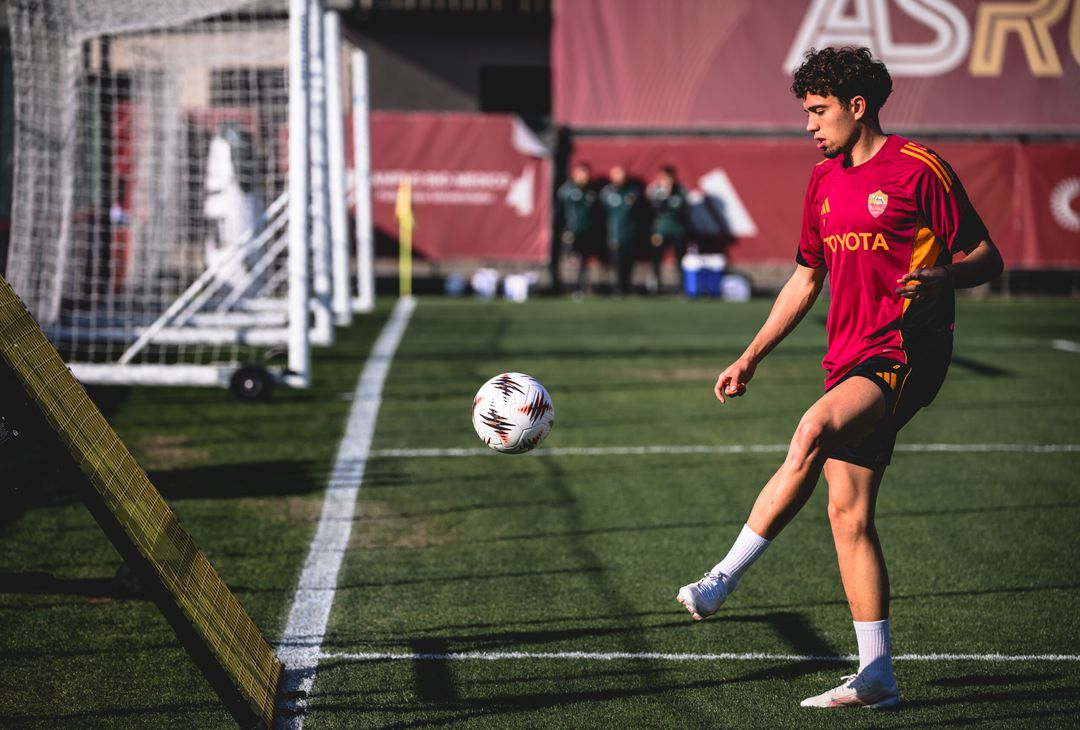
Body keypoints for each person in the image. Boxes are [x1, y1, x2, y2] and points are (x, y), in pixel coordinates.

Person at [676, 46, 1003, 710]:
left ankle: (720, 580)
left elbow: (985, 254)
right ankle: (876, 674)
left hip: (909, 350)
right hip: (849, 355)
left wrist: (944, 276)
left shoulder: (918, 169)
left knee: (813, 427)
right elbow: (805, 278)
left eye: (818, 111)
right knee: (847, 514)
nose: (809, 125)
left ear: (858, 107)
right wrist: (751, 355)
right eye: (806, 112)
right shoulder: (823, 180)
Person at [554, 162, 603, 296]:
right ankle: (565, 286)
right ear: (575, 174)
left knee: (584, 260)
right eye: (582, 174)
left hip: (587, 231)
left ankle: (580, 287)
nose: (584, 177)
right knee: (572, 259)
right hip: (571, 231)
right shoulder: (566, 190)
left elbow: (597, 213)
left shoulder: (592, 191)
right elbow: (560, 212)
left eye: (586, 174)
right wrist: (563, 230)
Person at [646, 166, 690, 294]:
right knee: (656, 259)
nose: (665, 181)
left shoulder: (681, 190)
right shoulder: (655, 190)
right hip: (659, 230)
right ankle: (655, 286)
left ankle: (683, 287)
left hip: (677, 230)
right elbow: (653, 208)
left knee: (680, 260)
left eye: (668, 178)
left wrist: (671, 195)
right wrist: (664, 195)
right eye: (663, 178)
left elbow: (683, 209)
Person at [600, 165, 643, 296]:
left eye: (622, 174)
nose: (620, 177)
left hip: (630, 233)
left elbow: (640, 212)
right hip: (615, 233)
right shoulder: (606, 192)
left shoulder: (632, 191)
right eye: (617, 174)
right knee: (617, 262)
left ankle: (627, 286)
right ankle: (618, 288)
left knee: (629, 262)